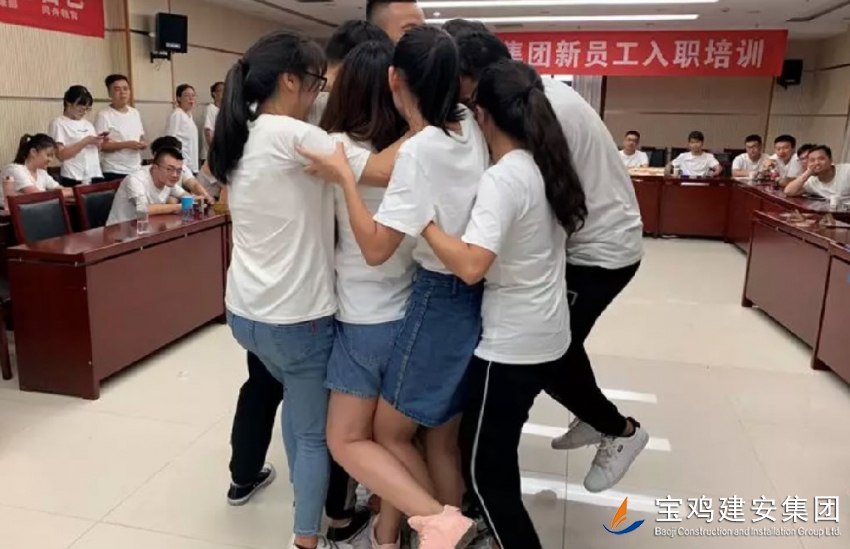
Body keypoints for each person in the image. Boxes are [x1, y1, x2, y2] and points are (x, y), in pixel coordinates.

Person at [208, 30, 402, 549]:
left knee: (296, 410)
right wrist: (430, 120)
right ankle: (306, 539)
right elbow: (381, 170)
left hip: (244, 312)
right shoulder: (294, 135)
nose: (320, 92)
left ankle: (305, 502)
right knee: (314, 434)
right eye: (317, 82)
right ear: (290, 80)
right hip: (297, 319)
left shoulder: (242, 130)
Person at [298, 26, 487, 549]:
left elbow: (376, 248)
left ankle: (440, 523)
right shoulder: (466, 126)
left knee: (355, 438)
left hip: (384, 313)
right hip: (445, 303)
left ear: (394, 78)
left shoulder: (394, 151)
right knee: (435, 441)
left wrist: (344, 181)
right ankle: (400, 533)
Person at [453, 28, 648, 493]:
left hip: (599, 252)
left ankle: (620, 431)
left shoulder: (533, 111)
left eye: (463, 93)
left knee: (548, 353)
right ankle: (592, 414)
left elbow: (526, 195)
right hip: (589, 241)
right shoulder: (538, 94)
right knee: (557, 347)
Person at [424, 57, 586, 549]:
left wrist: (423, 223)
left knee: (483, 471)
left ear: (483, 115)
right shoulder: (545, 164)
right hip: (548, 331)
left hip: (512, 346)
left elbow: (472, 265)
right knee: (497, 449)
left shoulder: (503, 179)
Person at [316, 39, 418, 549]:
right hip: (412, 310)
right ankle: (387, 533)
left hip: (362, 318)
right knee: (391, 439)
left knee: (348, 440)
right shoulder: (418, 152)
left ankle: (427, 522)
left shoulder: (337, 147)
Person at [105, 145, 187, 225]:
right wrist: (177, 207)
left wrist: (191, 200)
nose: (175, 175)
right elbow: (143, 208)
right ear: (155, 168)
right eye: (169, 169)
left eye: (179, 171)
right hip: (119, 229)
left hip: (148, 228)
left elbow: (186, 196)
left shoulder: (167, 180)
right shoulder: (136, 179)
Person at [50, 85, 106, 187]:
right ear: (68, 103)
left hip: (95, 174)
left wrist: (99, 143)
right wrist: (85, 141)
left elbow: (95, 150)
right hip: (73, 176)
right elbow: (61, 155)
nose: (83, 112)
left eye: (86, 109)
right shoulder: (58, 123)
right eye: (80, 107)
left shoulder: (88, 124)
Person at [96, 74, 146, 180]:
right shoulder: (104, 115)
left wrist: (142, 144)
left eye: (125, 89)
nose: (122, 92)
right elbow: (102, 146)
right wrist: (126, 145)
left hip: (136, 168)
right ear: (109, 93)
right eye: (117, 89)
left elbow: (140, 136)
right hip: (114, 170)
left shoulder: (135, 113)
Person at [1, 134, 72, 207]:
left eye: (52, 156)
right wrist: (67, 192)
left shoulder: (41, 172)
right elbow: (36, 195)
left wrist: (73, 190)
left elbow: (59, 189)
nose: (50, 160)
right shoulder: (14, 170)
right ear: (33, 152)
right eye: (48, 155)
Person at [784, 145, 850, 199]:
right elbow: (788, 191)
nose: (817, 163)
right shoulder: (812, 181)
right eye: (812, 160)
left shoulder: (847, 171)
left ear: (830, 160)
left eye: (821, 159)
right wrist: (808, 172)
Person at [165, 84, 200, 174]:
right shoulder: (177, 114)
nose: (191, 98)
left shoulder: (189, 115)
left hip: (192, 163)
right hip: (182, 164)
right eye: (187, 96)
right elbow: (171, 139)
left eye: (193, 95)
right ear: (179, 98)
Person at [203, 81, 225, 161]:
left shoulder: (224, 110)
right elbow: (208, 132)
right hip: (212, 155)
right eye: (222, 90)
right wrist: (215, 152)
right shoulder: (210, 108)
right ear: (214, 94)